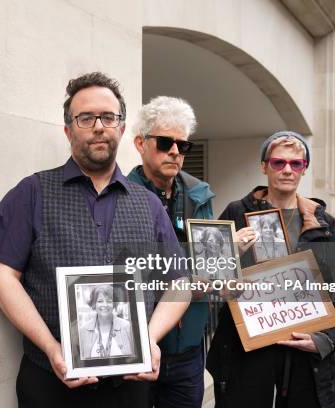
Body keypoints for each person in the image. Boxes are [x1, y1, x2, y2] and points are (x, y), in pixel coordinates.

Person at [0, 72, 190, 408]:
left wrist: (148, 339)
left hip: (129, 389)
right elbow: (1, 279)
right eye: (85, 117)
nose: (98, 126)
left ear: (121, 128)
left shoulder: (148, 204)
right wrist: (51, 347)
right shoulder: (31, 193)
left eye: (108, 117)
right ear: (68, 130)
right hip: (50, 384)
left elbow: (179, 283)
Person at [206, 131, 335, 408]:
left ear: (304, 169)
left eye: (295, 164)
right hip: (247, 352)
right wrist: (229, 256)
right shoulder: (237, 213)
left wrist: (325, 339)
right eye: (278, 163)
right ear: (264, 166)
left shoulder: (323, 223)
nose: (287, 170)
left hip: (305, 353)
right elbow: (208, 276)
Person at [127, 96, 214, 408]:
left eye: (183, 145)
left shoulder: (200, 195)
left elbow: (211, 262)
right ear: (140, 143)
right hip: (135, 345)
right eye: (165, 143)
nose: (175, 152)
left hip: (189, 346)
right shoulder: (119, 194)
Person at [79, 285, 134, 359]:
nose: (105, 305)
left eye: (109, 301)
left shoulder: (127, 327)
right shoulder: (83, 330)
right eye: (100, 301)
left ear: (114, 304)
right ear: (94, 304)